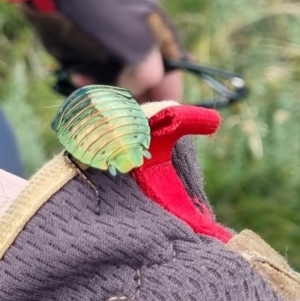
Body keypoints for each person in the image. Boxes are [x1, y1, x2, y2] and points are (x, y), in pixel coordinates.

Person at [10, 0, 188, 103]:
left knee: (165, 132)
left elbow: (148, 72)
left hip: (143, 66)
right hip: (109, 71)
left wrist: (107, 102)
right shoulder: (36, 4)